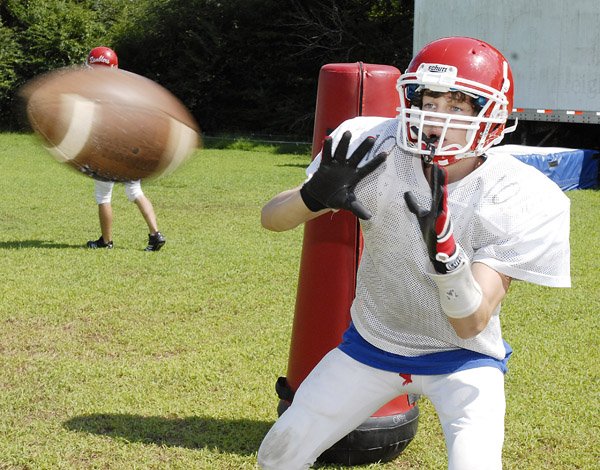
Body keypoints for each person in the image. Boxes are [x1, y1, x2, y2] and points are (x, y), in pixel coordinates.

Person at [257, 36, 571, 470]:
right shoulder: (372, 147)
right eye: (428, 99)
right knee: (278, 456)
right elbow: (272, 218)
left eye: (457, 107)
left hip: (463, 359)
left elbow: (470, 324)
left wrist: (448, 262)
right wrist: (311, 196)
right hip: (371, 344)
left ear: (492, 117)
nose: (435, 118)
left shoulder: (518, 192)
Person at [85, 46, 166, 251]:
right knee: (135, 190)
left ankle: (106, 241)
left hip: (108, 149)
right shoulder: (127, 86)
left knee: (103, 196)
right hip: (132, 145)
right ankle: (155, 234)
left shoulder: (97, 92)